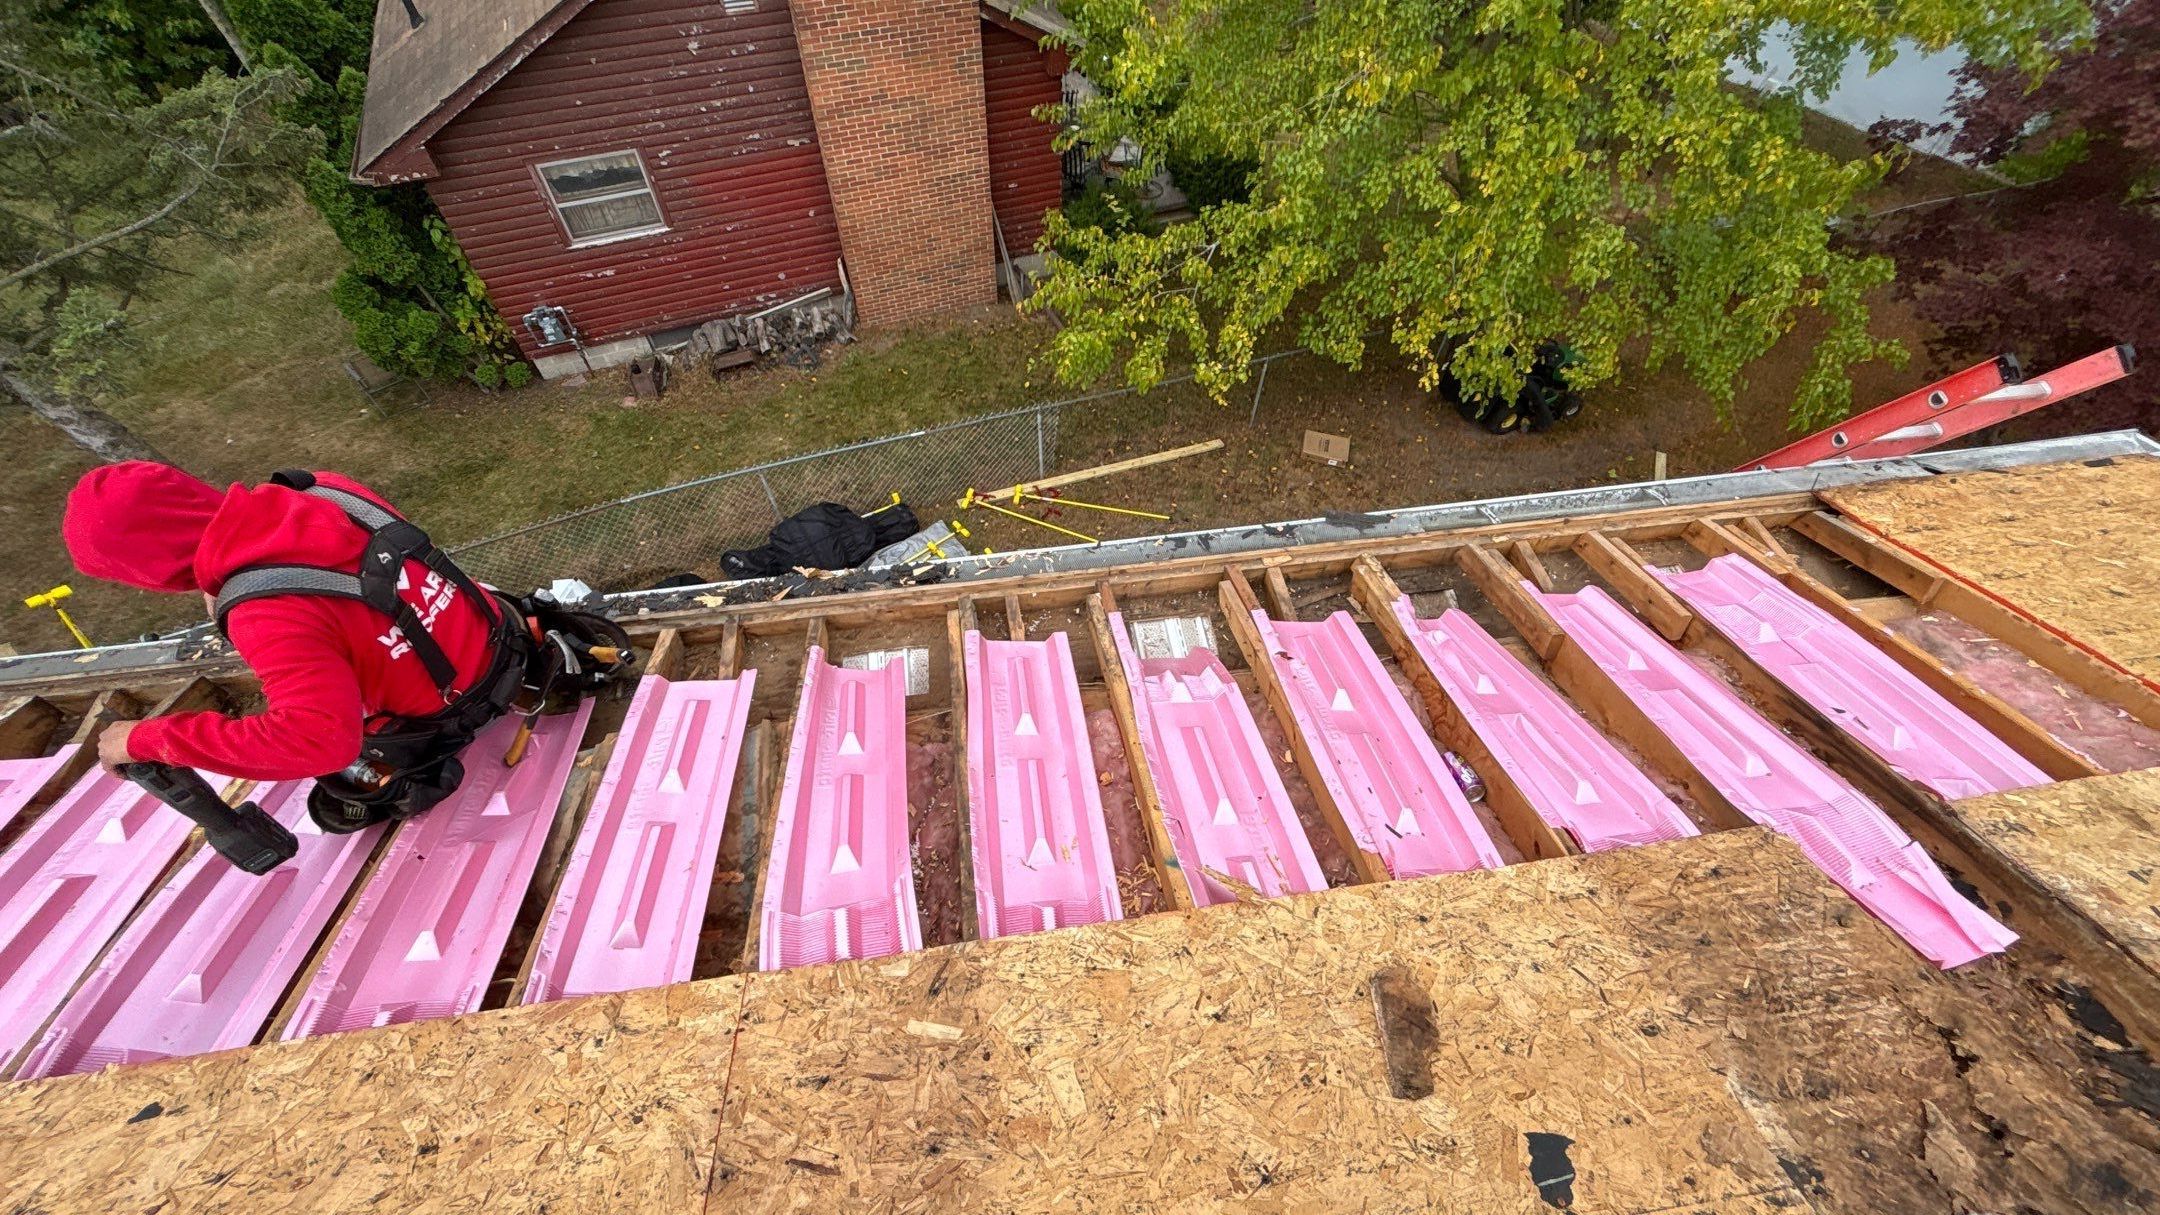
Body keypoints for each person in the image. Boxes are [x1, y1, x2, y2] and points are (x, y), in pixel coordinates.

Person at [62, 462, 626, 832]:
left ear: (146, 571)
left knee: (337, 795)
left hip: (456, 706)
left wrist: (145, 739)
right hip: (501, 632)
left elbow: (315, 742)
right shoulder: (318, 490)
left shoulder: (268, 611)